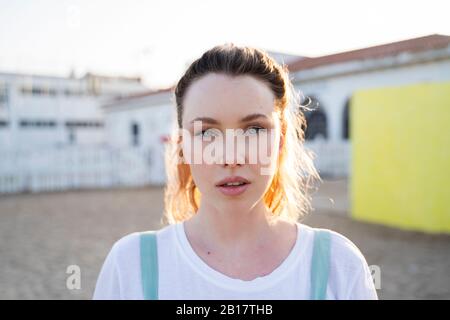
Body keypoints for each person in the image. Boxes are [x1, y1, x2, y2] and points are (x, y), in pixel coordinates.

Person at [93, 44, 378, 300]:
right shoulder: (131, 266)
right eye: (206, 132)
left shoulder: (337, 265)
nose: (231, 157)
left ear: (280, 141)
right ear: (183, 146)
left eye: (254, 129)